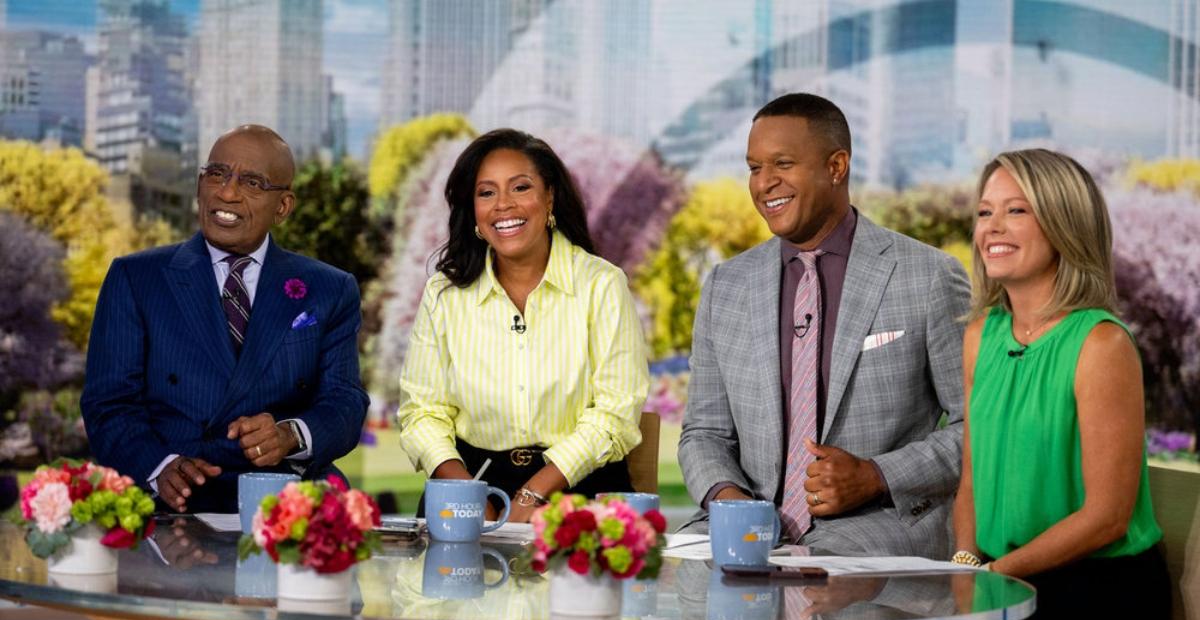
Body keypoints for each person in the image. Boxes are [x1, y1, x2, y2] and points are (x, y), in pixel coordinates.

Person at [678, 93, 970, 558]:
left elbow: (974, 429)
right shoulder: (726, 285)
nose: (764, 183)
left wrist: (875, 475)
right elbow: (704, 432)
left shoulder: (929, 276)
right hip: (741, 530)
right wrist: (729, 502)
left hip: (876, 533)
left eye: (783, 164)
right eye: (754, 168)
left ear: (837, 166)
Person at [81, 124, 368, 513]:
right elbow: (108, 404)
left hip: (287, 505)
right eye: (216, 173)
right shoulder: (136, 278)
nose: (227, 192)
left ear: (283, 206)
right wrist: (160, 467)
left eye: (252, 182)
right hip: (170, 506)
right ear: (200, 184)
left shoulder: (330, 288)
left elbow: (344, 402)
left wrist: (290, 435)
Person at [951, 149, 1169, 620]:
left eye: (1016, 210)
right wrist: (965, 568)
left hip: (1097, 590)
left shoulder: (1101, 343)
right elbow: (971, 479)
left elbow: (1107, 517)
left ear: (1063, 223)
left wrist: (996, 576)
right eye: (986, 212)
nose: (993, 227)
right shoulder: (979, 335)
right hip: (1001, 576)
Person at [398, 128, 650, 524]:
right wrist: (466, 494)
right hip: (468, 484)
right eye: (486, 193)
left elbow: (615, 413)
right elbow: (422, 413)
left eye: (520, 188)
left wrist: (533, 495)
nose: (503, 205)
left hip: (576, 485)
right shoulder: (443, 294)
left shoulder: (602, 284)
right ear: (473, 210)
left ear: (549, 197)